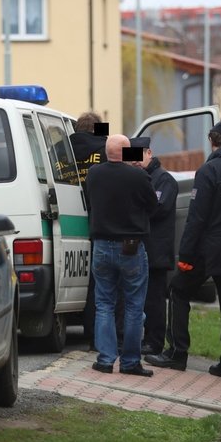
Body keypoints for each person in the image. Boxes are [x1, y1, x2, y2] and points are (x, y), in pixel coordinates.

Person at [145, 120, 221, 379]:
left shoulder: (208, 171)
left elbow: (197, 218)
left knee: (178, 290)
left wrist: (186, 255)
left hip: (211, 249)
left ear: (212, 141)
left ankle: (177, 352)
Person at [84, 134, 157, 376]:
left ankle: (105, 360)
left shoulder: (94, 174)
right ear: (127, 153)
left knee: (104, 303)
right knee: (134, 305)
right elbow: (152, 205)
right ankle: (130, 362)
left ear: (106, 152)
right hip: (131, 247)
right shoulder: (138, 176)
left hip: (102, 246)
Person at [131, 137, 179, 357]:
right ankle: (142, 338)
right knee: (137, 298)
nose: (135, 162)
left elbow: (158, 210)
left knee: (154, 300)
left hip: (156, 250)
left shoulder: (164, 180)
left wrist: (135, 209)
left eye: (138, 157)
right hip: (137, 248)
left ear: (149, 153)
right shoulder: (134, 178)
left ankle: (154, 341)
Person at [70, 112, 109, 348]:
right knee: (100, 282)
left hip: (67, 215)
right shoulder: (108, 146)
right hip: (101, 221)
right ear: (99, 129)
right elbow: (142, 158)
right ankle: (96, 334)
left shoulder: (60, 148)